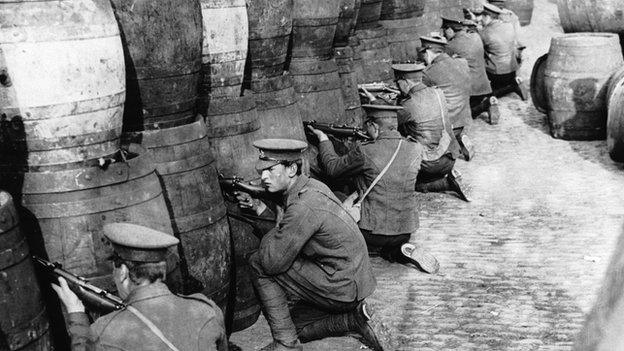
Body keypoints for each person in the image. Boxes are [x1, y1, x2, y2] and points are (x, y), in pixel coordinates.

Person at [234, 138, 392, 351]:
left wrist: (267, 220)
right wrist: (258, 206)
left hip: (341, 285)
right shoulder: (311, 186)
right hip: (354, 280)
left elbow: (272, 262)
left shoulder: (303, 206)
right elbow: (288, 233)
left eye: (270, 170)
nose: (263, 177)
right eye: (261, 171)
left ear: (291, 169)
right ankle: (352, 321)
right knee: (295, 325)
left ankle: (285, 345)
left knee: (258, 262)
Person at [51, 223, 228, 351]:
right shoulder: (207, 308)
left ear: (123, 273)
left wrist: (76, 315)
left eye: (115, 269)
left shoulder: (103, 331)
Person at [308, 104, 440, 274]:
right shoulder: (415, 148)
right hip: (405, 230)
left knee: (336, 197)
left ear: (374, 126)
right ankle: (397, 252)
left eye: (367, 124)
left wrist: (323, 139)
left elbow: (333, 168)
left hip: (371, 233)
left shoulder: (366, 151)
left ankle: (362, 249)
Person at [392, 63, 471, 202]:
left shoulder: (409, 104)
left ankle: (445, 184)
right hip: (450, 158)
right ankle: (446, 178)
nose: (397, 87)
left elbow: (390, 123)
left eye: (398, 83)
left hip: (430, 164)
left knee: (400, 184)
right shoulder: (437, 92)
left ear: (405, 82)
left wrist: (379, 101)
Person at [419, 35, 476, 161]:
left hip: (446, 124)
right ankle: (459, 138)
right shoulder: (462, 62)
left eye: (423, 55)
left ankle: (452, 147)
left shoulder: (429, 72)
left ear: (427, 52)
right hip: (463, 118)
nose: (422, 58)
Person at [441, 16, 500, 125]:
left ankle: (485, 105)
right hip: (484, 86)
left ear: (450, 29)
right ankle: (488, 101)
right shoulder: (476, 37)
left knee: (458, 117)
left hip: (470, 91)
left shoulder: (451, 46)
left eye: (444, 30)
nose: (444, 34)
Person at [480, 3, 528, 100]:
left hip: (496, 74)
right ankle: (515, 84)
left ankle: (489, 94)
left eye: (483, 17)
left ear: (487, 17)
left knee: (477, 57)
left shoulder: (485, 32)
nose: (481, 20)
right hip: (512, 69)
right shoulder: (509, 25)